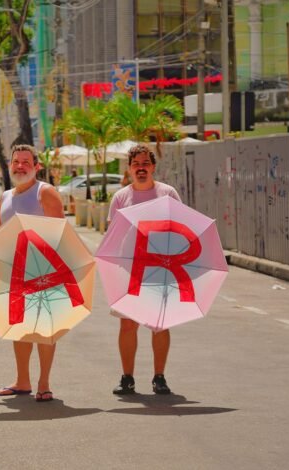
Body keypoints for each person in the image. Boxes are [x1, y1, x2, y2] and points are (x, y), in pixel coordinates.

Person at [0, 145, 65, 403]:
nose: (20, 166)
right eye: (16, 161)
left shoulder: (45, 193)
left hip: (43, 272)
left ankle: (44, 383)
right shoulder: (6, 197)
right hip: (14, 272)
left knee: (44, 329)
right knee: (19, 328)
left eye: (26, 162)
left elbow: (60, 236)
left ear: (37, 166)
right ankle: (22, 380)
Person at [108, 145, 181, 396]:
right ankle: (127, 378)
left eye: (145, 163)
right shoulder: (120, 197)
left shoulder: (167, 193)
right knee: (128, 325)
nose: (141, 168)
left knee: (159, 325)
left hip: (160, 267)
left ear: (152, 167)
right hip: (129, 269)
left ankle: (159, 377)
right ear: (129, 168)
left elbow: (181, 228)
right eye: (136, 164)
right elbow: (114, 235)